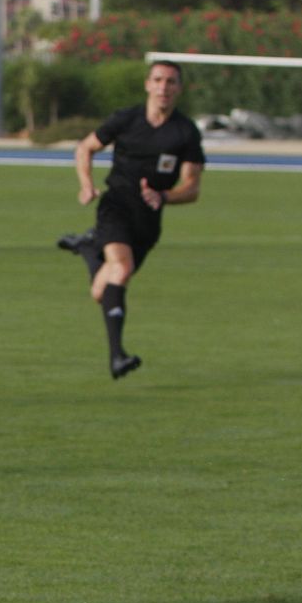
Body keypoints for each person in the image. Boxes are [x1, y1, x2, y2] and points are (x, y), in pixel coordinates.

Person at [56, 60, 204, 379]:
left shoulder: (185, 132)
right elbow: (86, 147)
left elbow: (192, 188)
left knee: (103, 290)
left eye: (171, 82)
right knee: (120, 270)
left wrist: (164, 196)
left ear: (179, 88)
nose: (164, 87)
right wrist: (86, 184)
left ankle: (86, 248)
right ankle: (118, 356)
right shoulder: (127, 119)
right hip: (116, 206)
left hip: (148, 220)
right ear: (148, 84)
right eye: (158, 80)